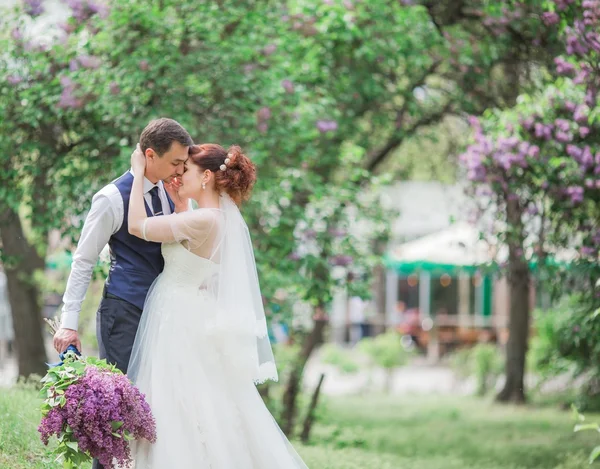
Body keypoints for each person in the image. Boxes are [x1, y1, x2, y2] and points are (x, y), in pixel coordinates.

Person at [126, 143, 309, 468]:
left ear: (207, 176)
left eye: (187, 171)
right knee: (197, 401)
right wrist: (182, 204)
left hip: (178, 316)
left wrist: (138, 173)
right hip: (190, 311)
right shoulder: (216, 219)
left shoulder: (206, 220)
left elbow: (136, 226)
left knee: (179, 403)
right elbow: (193, 251)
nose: (179, 176)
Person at [52, 118, 193, 469]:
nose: (181, 169)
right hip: (124, 313)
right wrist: (69, 323)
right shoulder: (112, 197)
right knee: (118, 412)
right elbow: (82, 261)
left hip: (163, 315)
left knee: (158, 409)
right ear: (150, 155)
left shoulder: (167, 191)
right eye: (176, 162)